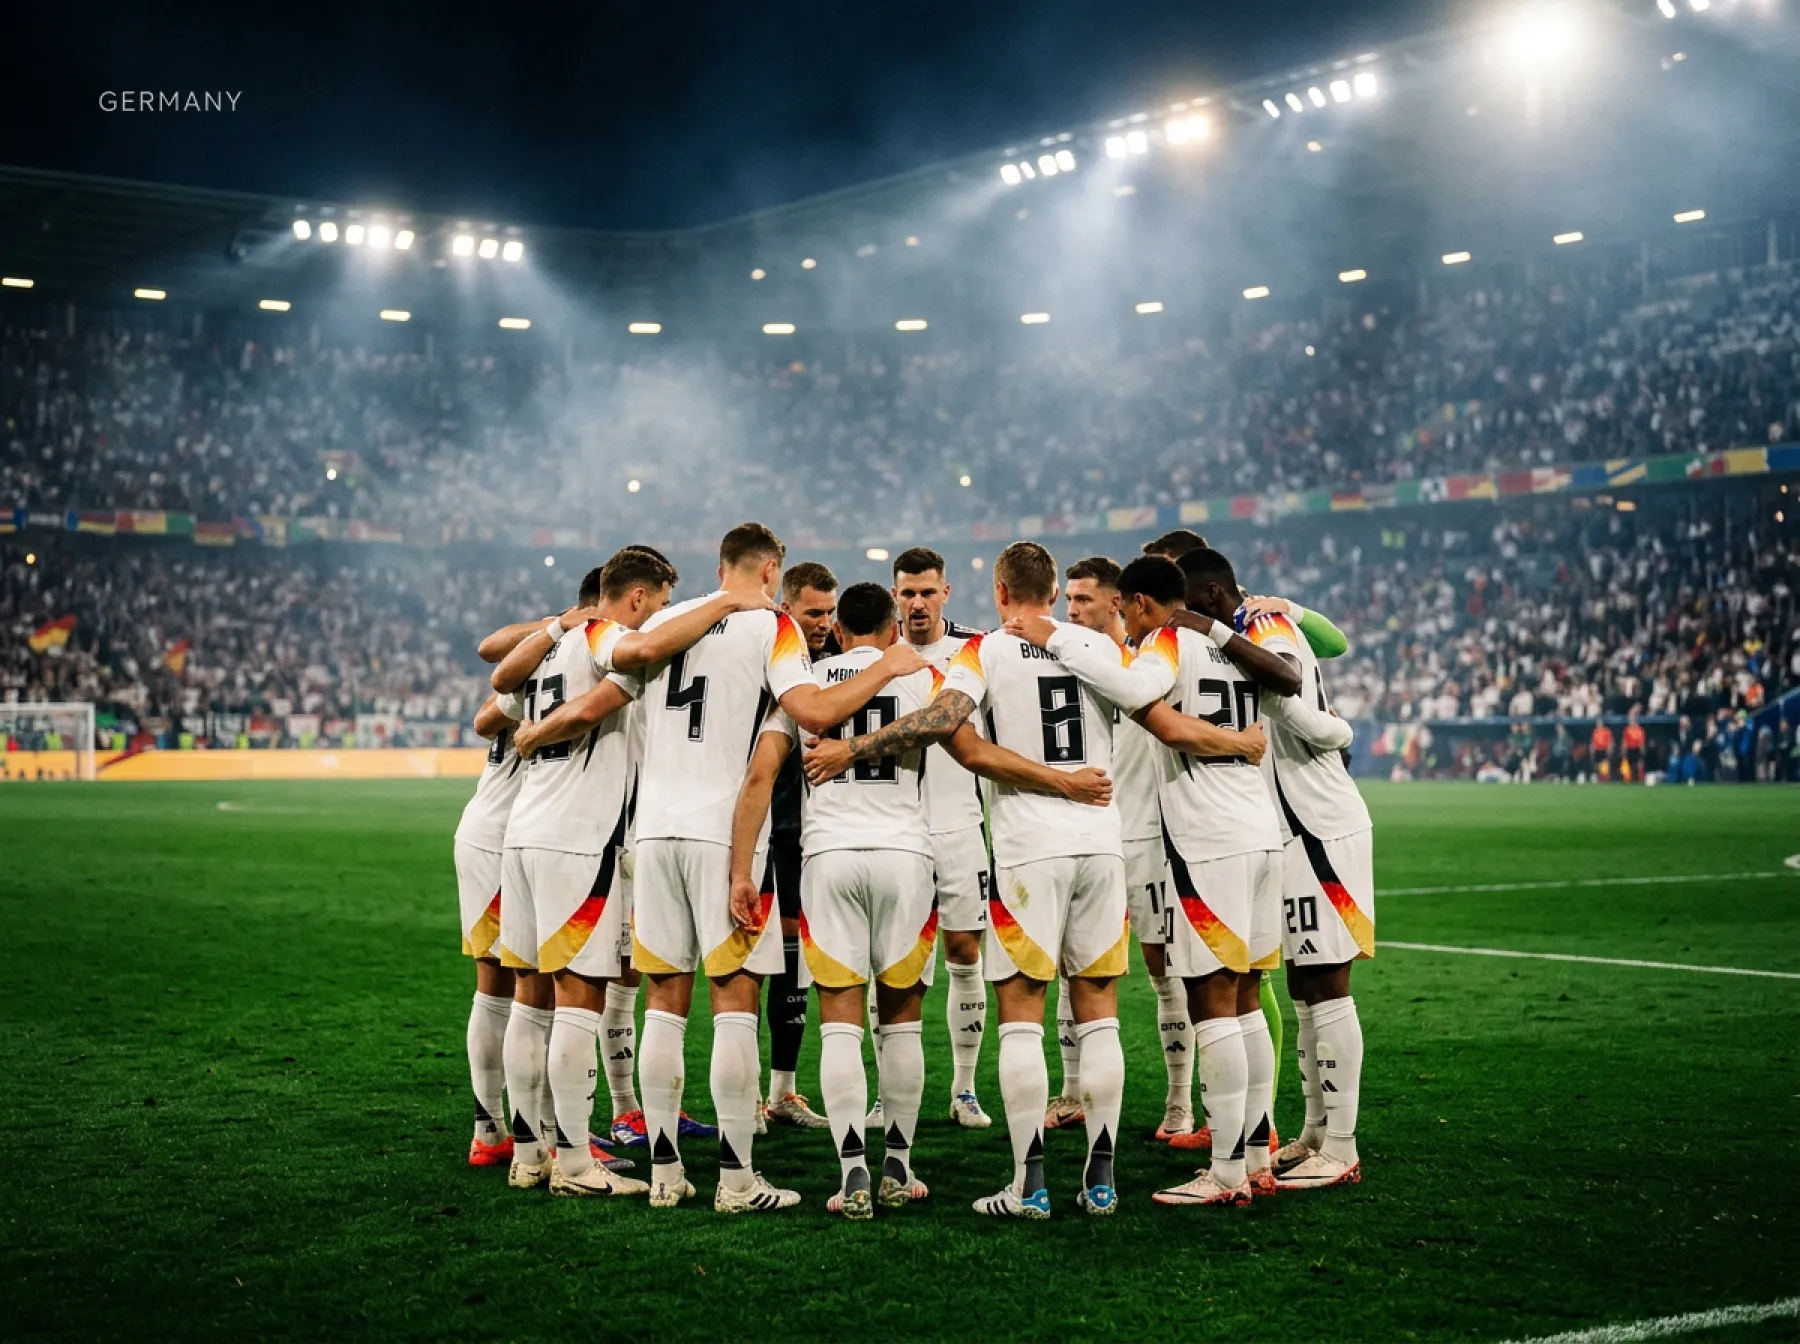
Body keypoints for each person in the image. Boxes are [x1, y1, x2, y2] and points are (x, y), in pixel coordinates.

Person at [809, 542, 1261, 1219]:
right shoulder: (1100, 651)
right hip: (1101, 850)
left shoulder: (985, 652)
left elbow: (948, 731)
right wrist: (1239, 742)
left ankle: (1030, 1186)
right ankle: (1100, 1181)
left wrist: (853, 747)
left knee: (1022, 1017)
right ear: (1052, 594)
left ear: (998, 591)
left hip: (1027, 851)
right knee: (1099, 1012)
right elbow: (1164, 722)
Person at [731, 583, 1114, 1218]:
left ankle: (852, 1172)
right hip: (908, 857)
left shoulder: (804, 688)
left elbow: (760, 775)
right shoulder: (926, 677)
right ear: (889, 629)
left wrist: (741, 867)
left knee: (841, 1021)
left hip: (827, 860)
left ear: (839, 629)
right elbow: (967, 750)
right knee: (902, 1018)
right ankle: (899, 1169)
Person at [619, 522, 927, 1213]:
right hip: (725, 834)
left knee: (663, 1005)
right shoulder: (773, 629)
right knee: (734, 1002)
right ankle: (735, 1180)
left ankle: (666, 1174)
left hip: (656, 832)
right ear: (769, 572)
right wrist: (886, 665)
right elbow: (810, 710)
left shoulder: (669, 620)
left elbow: (625, 661)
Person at [1005, 552, 1293, 1204]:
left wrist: (1054, 637)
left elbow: (1139, 691)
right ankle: (1255, 1158)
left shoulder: (1169, 640)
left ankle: (1223, 1175)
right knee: (1245, 999)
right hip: (1259, 831)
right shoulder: (1236, 648)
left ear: (1137, 603)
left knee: (1212, 1003)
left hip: (1210, 840)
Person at [488, 548, 768, 1196]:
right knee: (578, 1003)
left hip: (523, 833)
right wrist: (725, 601)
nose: (666, 617)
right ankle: (576, 1163)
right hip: (577, 841)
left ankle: (528, 1154)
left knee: (529, 1001)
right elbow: (602, 699)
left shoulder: (553, 646)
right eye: (665, 603)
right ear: (638, 599)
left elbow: (500, 673)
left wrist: (551, 637)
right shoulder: (612, 639)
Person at [1048, 557, 1196, 1143]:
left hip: (1150, 838)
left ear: (1118, 603)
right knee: (1071, 971)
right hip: (1086, 837)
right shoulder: (1066, 658)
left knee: (1167, 974)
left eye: (1083, 601)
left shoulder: (1146, 663)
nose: (1071, 611)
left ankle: (1180, 1101)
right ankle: (1070, 1091)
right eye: (1068, 600)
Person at [887, 547, 995, 1131]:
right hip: (896, 830)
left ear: (946, 593)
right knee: (894, 965)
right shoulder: (878, 656)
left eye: (927, 592)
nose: (918, 603)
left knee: (964, 954)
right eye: (907, 593)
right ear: (894, 595)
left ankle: (964, 1087)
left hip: (959, 826)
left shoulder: (976, 650)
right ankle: (889, 1094)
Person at [760, 561, 841, 1131]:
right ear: (787, 606)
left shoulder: (832, 662)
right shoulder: (769, 654)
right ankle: (748, 1099)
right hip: (767, 828)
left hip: (809, 834)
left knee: (795, 966)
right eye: (814, 612)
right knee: (747, 964)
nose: (824, 623)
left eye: (830, 612)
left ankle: (783, 1093)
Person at [1622, 708, 1646, 784]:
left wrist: (1642, 750)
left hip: (1637, 749)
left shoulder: (1640, 729)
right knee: (1630, 765)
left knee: (1638, 765)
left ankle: (1639, 779)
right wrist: (1624, 750)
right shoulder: (1627, 729)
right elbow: (1624, 742)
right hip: (1630, 749)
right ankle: (1629, 779)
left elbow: (1641, 742)